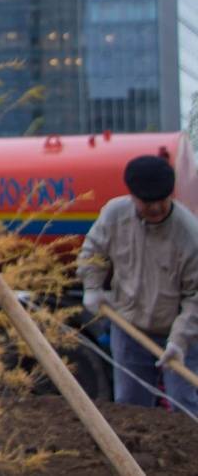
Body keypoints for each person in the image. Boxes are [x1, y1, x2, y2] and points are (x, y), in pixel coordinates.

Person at [78, 154, 198, 412]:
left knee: (185, 408)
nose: (155, 208)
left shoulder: (189, 234)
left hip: (176, 333)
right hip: (129, 327)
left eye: (161, 202)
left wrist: (179, 342)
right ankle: (134, 454)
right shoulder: (115, 215)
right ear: (132, 196)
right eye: (147, 202)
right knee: (131, 407)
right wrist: (92, 286)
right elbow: (93, 253)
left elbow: (195, 298)